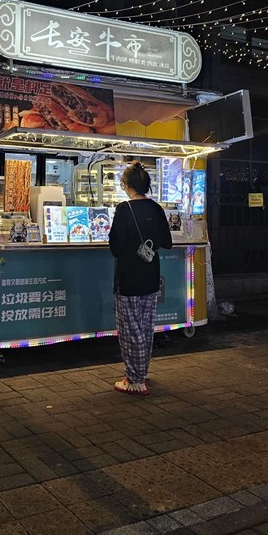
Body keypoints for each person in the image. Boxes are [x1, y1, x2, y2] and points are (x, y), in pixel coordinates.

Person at [109, 161, 172, 396]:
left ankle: (135, 381)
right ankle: (141, 373)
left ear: (127, 185)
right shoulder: (156, 209)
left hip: (128, 276)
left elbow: (116, 247)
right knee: (145, 327)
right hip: (150, 275)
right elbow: (167, 241)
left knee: (130, 329)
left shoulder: (124, 209)